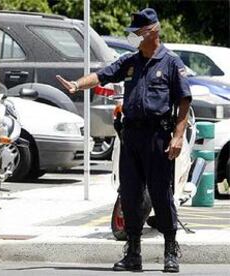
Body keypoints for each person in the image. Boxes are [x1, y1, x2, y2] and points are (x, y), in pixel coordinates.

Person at [57, 8, 191, 273]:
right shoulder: (131, 61)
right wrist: (76, 84)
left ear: (152, 32)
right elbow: (102, 75)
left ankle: (170, 251)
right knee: (129, 195)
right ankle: (133, 253)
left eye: (136, 33)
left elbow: (184, 101)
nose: (132, 38)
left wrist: (177, 137)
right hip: (131, 137)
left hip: (157, 137)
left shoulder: (171, 63)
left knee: (161, 195)